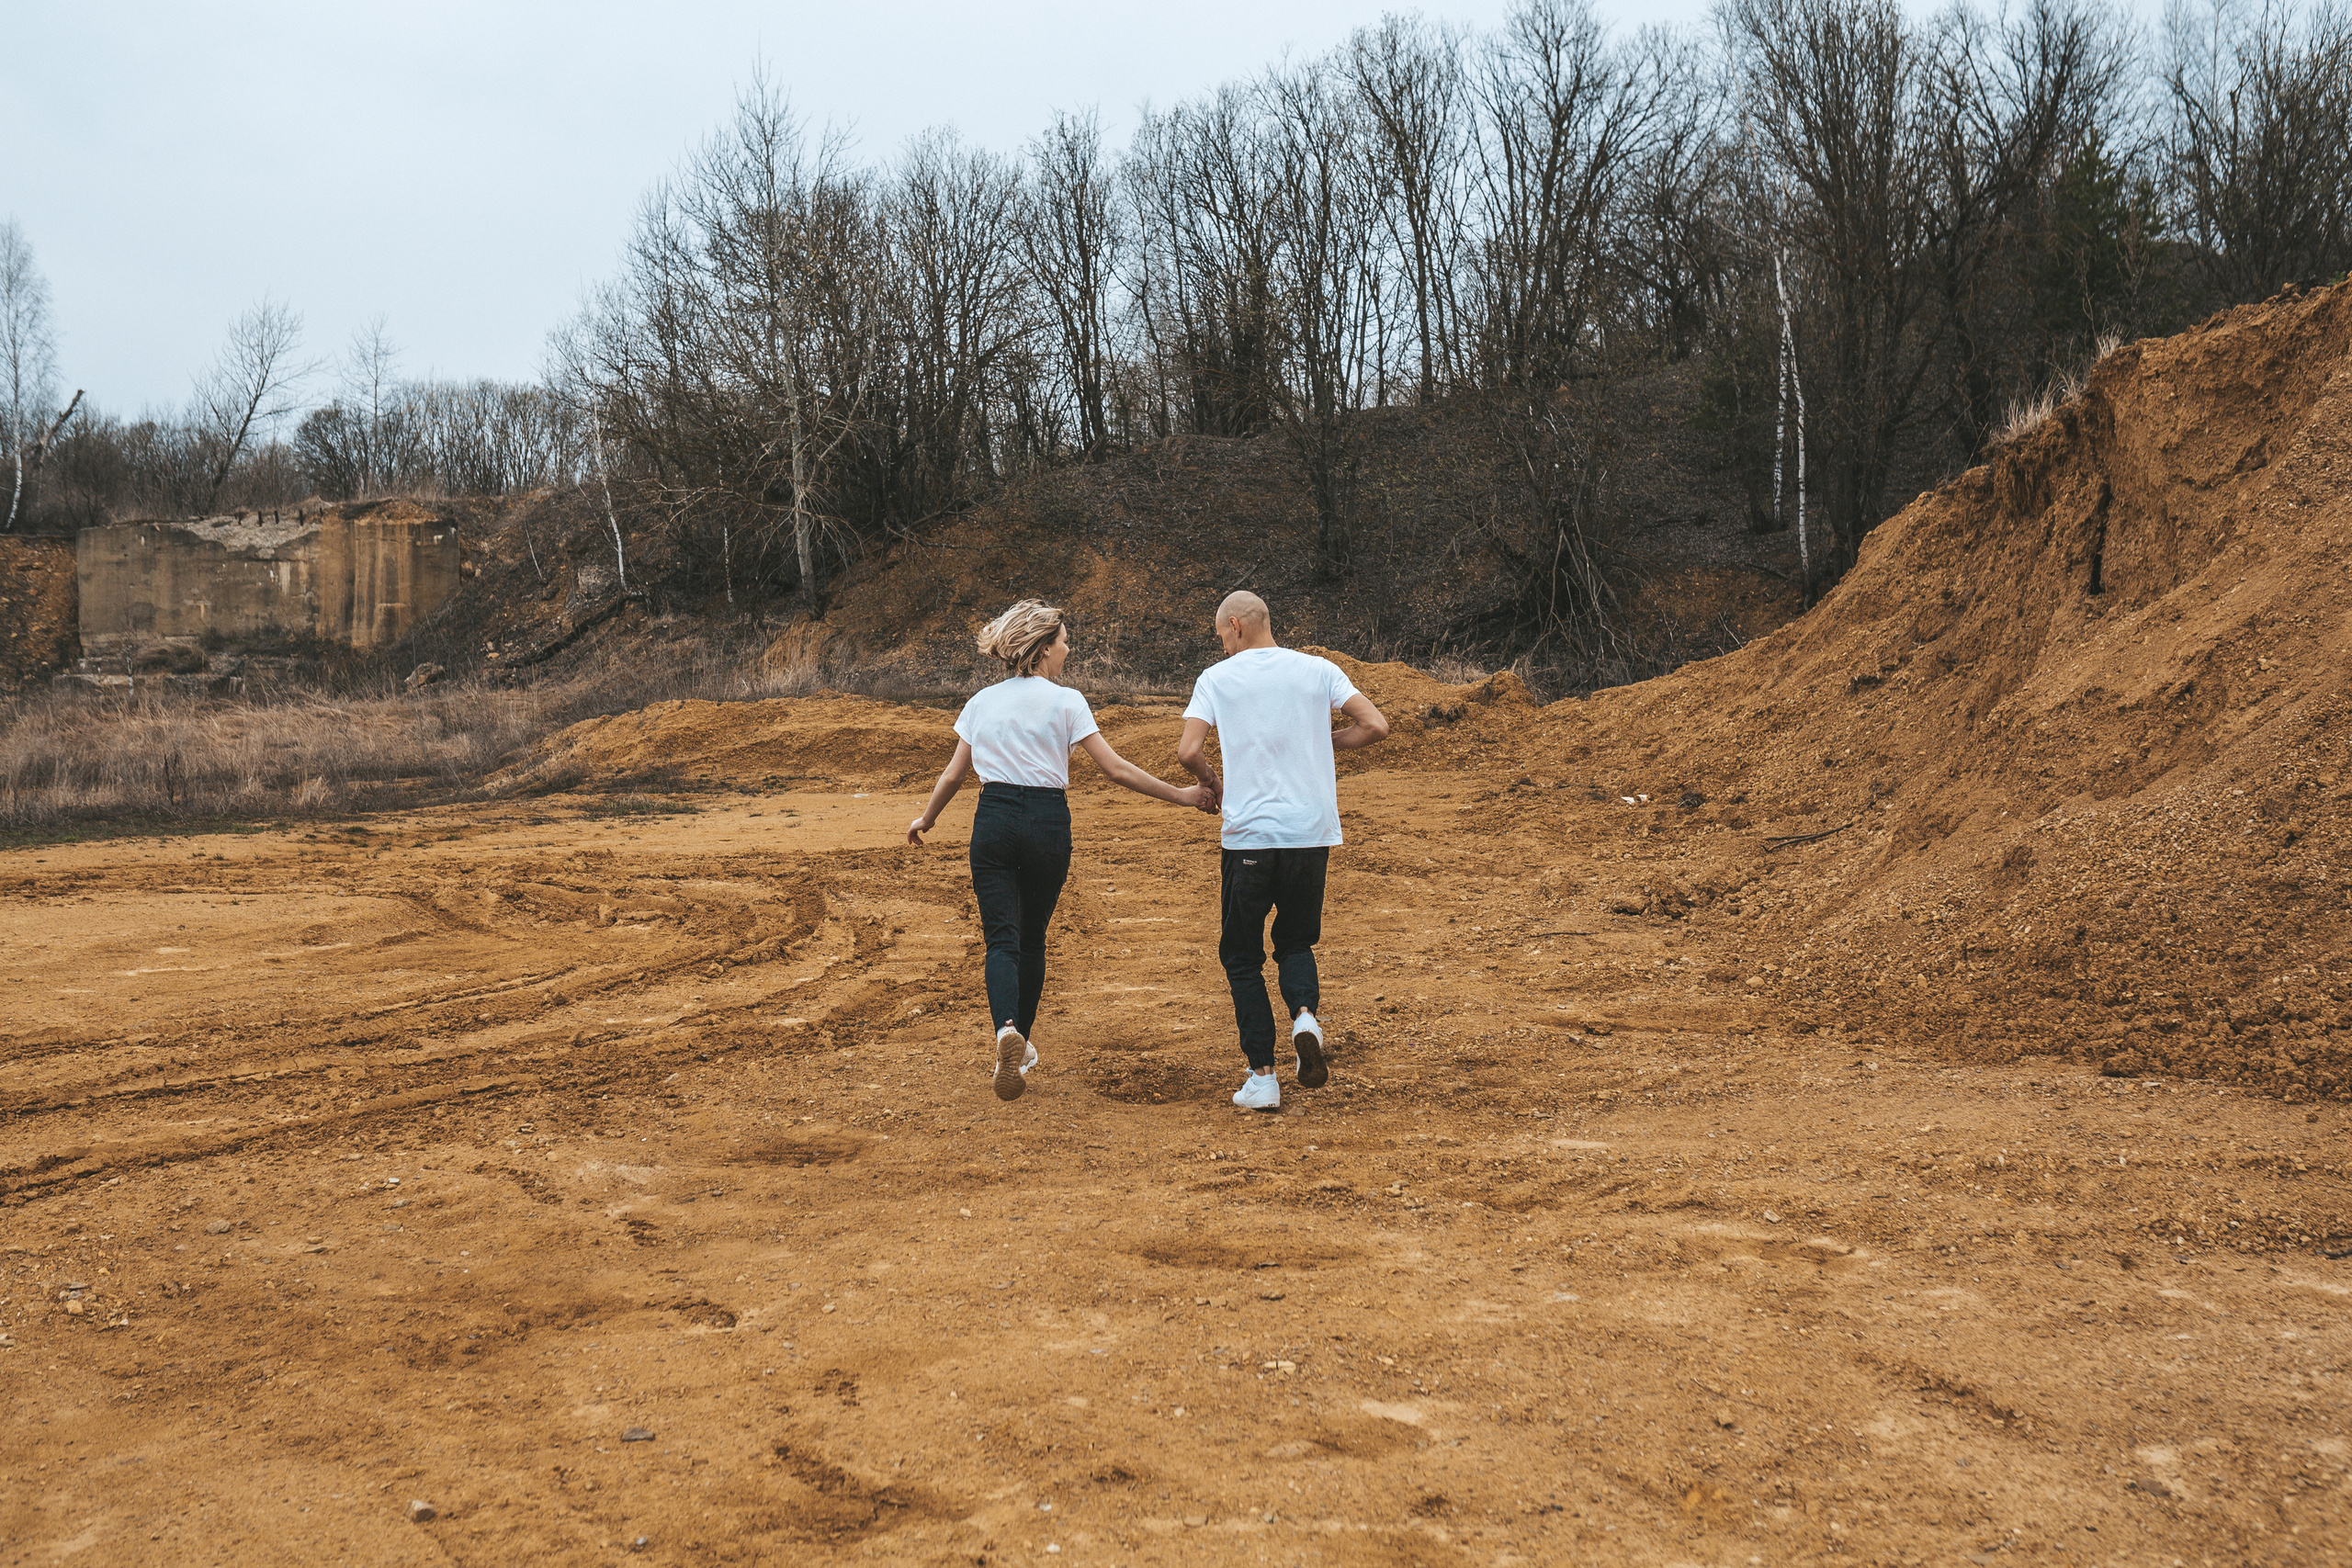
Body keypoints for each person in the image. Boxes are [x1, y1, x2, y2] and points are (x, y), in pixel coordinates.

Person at [909, 599, 1212, 1101]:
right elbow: (1115, 769)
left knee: (1001, 940)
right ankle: (1021, 1040)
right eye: (1065, 640)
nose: (1069, 648)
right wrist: (1182, 795)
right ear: (1045, 648)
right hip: (1048, 822)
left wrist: (927, 818)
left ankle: (1007, 1031)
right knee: (1032, 940)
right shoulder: (1068, 701)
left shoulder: (982, 702)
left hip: (995, 819)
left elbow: (954, 774)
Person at [1176, 591, 1388, 1112]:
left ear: (1235, 626)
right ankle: (1305, 1018)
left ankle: (1262, 1077)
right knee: (1295, 942)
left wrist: (1210, 782)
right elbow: (1376, 726)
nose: (1220, 644)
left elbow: (1187, 750)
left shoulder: (1216, 679)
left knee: (1241, 954)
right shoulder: (1319, 670)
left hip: (1250, 837)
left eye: (1220, 634)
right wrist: (1318, 741)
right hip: (1311, 835)